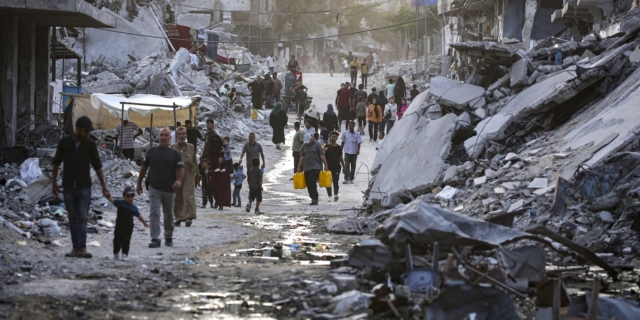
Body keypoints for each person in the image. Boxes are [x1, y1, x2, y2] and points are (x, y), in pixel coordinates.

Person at [52, 116, 111, 258]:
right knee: (72, 217)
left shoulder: (90, 145)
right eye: (85, 131)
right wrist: (54, 183)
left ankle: (82, 248)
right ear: (77, 129)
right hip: (68, 186)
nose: (88, 134)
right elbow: (56, 162)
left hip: (84, 186)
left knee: (83, 217)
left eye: (89, 132)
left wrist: (104, 186)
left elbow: (97, 166)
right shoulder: (64, 143)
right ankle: (75, 248)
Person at [137, 128, 185, 248]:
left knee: (168, 214)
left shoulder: (175, 153)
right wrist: (139, 183)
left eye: (166, 135)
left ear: (170, 138)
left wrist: (179, 180)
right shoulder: (151, 151)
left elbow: (181, 169)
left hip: (169, 188)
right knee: (154, 213)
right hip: (154, 187)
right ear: (158, 137)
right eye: (161, 135)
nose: (163, 137)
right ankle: (155, 238)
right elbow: (144, 168)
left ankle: (168, 236)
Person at [108, 186, 149, 260]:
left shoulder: (133, 208)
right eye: (127, 196)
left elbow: (139, 216)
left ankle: (124, 254)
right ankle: (116, 253)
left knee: (126, 241)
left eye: (132, 196)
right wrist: (108, 196)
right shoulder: (120, 203)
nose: (130, 198)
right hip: (119, 226)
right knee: (117, 240)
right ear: (123, 196)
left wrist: (144, 223)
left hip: (128, 227)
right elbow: (112, 201)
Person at [172, 127, 199, 227]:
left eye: (183, 134)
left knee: (188, 194)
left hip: (189, 173)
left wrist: (197, 175)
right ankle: (179, 218)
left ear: (186, 135)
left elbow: (194, 162)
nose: (182, 136)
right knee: (178, 197)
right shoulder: (173, 148)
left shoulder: (191, 147)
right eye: (179, 134)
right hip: (177, 174)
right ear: (177, 136)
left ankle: (189, 217)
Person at [297, 133, 329, 205]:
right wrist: (299, 167)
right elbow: (302, 157)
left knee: (311, 180)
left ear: (312, 139)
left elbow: (322, 155)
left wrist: (326, 165)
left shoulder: (317, 145)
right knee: (308, 182)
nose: (308, 143)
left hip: (316, 166)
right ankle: (312, 198)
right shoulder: (304, 146)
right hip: (306, 167)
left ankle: (315, 198)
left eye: (309, 141)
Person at [209, 135, 232, 210]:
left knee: (222, 187)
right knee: (214, 186)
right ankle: (216, 202)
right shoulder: (214, 149)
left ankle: (221, 203)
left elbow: (229, 159)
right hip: (215, 170)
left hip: (224, 170)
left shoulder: (224, 148)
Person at [324, 131, 344, 202]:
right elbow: (321, 155)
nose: (333, 138)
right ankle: (329, 196)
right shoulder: (326, 146)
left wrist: (344, 166)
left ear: (337, 138)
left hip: (336, 167)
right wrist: (324, 151)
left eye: (335, 137)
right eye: (332, 137)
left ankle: (336, 195)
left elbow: (340, 157)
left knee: (336, 181)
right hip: (328, 167)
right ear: (330, 137)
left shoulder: (339, 147)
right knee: (328, 182)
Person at [341, 120, 363, 184]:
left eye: (351, 125)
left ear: (353, 126)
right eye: (349, 125)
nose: (350, 126)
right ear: (348, 126)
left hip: (354, 153)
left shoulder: (357, 134)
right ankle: (346, 178)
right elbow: (343, 142)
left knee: (353, 166)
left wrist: (358, 150)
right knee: (346, 166)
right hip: (347, 152)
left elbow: (359, 143)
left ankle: (351, 178)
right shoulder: (345, 133)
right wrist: (340, 150)